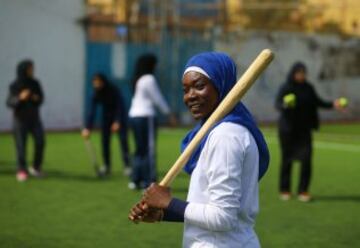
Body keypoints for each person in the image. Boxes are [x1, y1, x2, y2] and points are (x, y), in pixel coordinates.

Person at [129, 52, 270, 248]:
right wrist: (164, 213)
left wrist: (169, 202)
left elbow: (223, 217)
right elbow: (212, 210)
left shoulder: (226, 136)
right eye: (185, 90)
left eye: (199, 86)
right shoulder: (218, 133)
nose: (190, 96)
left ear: (221, 85)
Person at [275, 62, 347, 202]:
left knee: (306, 160)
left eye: (303, 73)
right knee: (287, 160)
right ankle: (285, 190)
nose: (302, 75)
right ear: (293, 73)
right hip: (288, 130)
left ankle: (303, 191)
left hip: (304, 130)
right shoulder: (286, 87)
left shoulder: (308, 88)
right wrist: (285, 104)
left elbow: (318, 102)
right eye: (299, 72)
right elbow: (277, 104)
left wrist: (334, 104)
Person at [128, 53, 175, 190]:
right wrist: (169, 114)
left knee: (139, 150)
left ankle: (136, 180)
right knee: (149, 149)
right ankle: (149, 182)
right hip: (146, 116)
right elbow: (157, 98)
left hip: (134, 115)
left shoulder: (138, 79)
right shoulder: (149, 78)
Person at [82, 73, 130, 177]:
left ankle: (127, 166)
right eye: (94, 82)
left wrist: (117, 121)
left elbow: (120, 106)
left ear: (103, 82)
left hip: (119, 117)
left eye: (98, 82)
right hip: (106, 118)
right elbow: (92, 111)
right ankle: (107, 166)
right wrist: (87, 128)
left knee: (123, 142)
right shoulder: (96, 93)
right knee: (105, 142)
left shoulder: (113, 90)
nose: (96, 85)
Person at [6, 59, 45, 182]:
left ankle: (36, 167)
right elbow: (9, 102)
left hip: (34, 119)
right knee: (21, 146)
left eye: (32, 68)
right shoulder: (14, 85)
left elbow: (41, 99)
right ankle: (21, 170)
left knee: (40, 141)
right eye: (30, 68)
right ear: (23, 70)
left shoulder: (35, 83)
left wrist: (35, 97)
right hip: (20, 120)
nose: (32, 70)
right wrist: (20, 98)